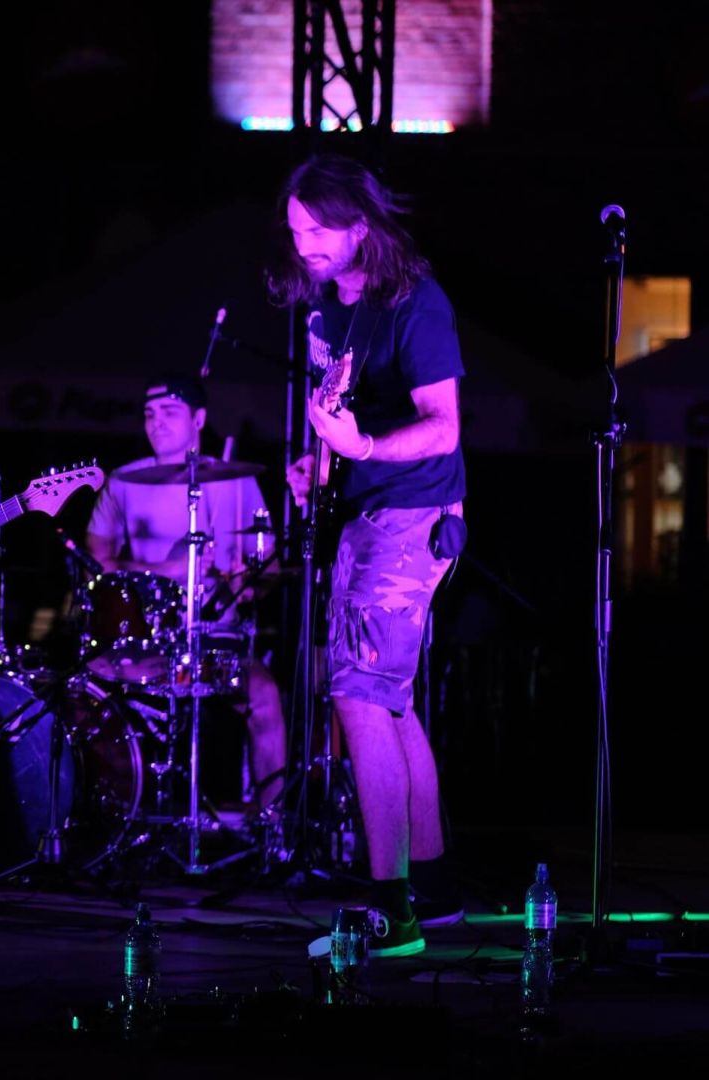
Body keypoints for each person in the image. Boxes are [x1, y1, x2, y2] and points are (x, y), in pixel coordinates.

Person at [275, 154, 467, 957]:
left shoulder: (414, 302)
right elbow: (342, 414)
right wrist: (319, 463)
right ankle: (434, 889)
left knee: (357, 693)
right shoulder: (329, 307)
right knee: (388, 700)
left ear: (361, 225)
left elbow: (444, 426)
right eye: (295, 231)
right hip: (367, 509)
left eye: (319, 229)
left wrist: (365, 449)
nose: (304, 245)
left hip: (412, 512)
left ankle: (392, 911)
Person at [84, 375, 288, 809]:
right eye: (149, 414)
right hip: (145, 640)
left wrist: (248, 585)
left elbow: (268, 566)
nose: (155, 422)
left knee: (265, 696)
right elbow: (95, 563)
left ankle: (271, 825)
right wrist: (165, 570)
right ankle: (113, 812)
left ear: (199, 419)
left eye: (169, 412)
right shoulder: (123, 481)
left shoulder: (236, 481)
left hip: (216, 639)